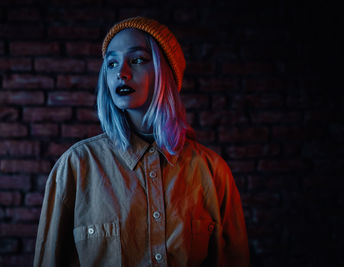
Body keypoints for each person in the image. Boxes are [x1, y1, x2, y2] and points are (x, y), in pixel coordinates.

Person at [33, 17, 250, 267]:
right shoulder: (76, 166)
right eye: (112, 63)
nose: (121, 73)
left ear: (165, 72)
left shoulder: (212, 172)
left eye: (137, 60)